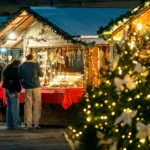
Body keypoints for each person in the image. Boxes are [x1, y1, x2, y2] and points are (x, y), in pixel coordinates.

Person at [18, 54, 44, 129]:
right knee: (37, 104)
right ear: (33, 58)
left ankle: (29, 124)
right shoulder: (36, 65)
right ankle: (36, 124)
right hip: (36, 86)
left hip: (27, 86)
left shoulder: (21, 66)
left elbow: (19, 77)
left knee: (28, 104)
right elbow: (41, 74)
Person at [2, 59, 22, 129]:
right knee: (15, 108)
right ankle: (16, 125)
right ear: (18, 64)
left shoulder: (6, 69)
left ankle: (9, 124)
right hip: (13, 90)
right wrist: (18, 91)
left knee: (9, 107)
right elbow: (17, 82)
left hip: (6, 89)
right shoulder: (15, 70)